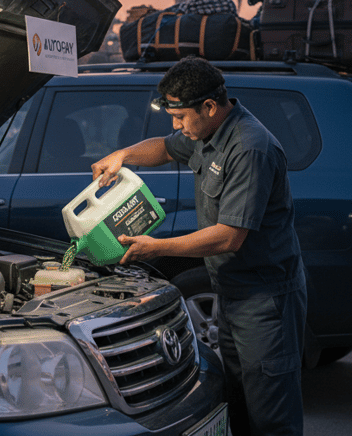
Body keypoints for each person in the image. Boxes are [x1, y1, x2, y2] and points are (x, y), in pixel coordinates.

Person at [91, 56, 306, 436]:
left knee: (271, 417)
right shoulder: (205, 133)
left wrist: (157, 247)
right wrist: (123, 156)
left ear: (209, 106)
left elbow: (229, 236)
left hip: (265, 300)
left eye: (180, 117)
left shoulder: (249, 147)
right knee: (240, 404)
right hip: (232, 293)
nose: (176, 126)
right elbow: (164, 148)